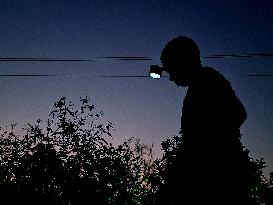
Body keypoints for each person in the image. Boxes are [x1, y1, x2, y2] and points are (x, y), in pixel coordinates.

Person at [157, 36, 249, 204]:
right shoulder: (199, 85)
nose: (170, 77)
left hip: (219, 178)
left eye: (171, 69)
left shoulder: (208, 79)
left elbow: (239, 114)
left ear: (183, 62)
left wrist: (204, 150)